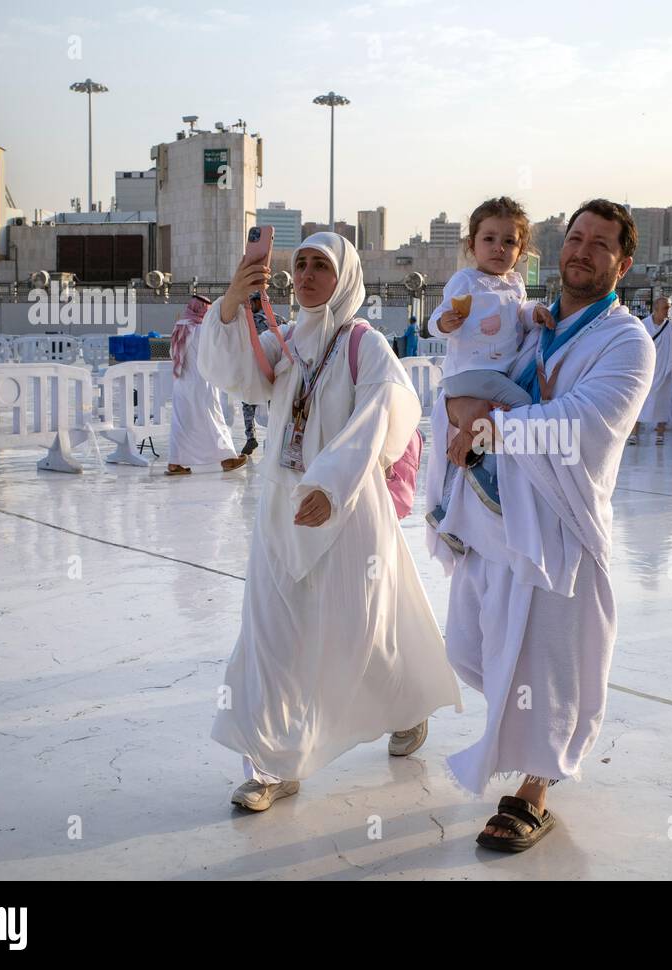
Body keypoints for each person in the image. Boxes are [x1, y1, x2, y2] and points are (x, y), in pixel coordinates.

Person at [197, 231, 462, 811]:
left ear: (344, 276)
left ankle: (407, 703)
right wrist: (230, 306)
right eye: (302, 265)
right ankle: (270, 764)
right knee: (270, 637)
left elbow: (386, 409)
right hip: (282, 511)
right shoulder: (289, 339)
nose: (310, 275)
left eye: (322, 265)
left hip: (345, 513)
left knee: (363, 633)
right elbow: (233, 372)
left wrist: (333, 482)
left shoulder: (363, 344)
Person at [434, 199, 653, 852]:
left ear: (623, 262)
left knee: (548, 658)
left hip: (561, 522)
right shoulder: (530, 323)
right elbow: (468, 361)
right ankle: (520, 752)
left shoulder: (625, 340)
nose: (583, 251)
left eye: (601, 243)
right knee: (491, 643)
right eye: (576, 237)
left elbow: (583, 422)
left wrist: (490, 426)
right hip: (497, 512)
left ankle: (535, 786)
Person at [424, 196, 550, 554]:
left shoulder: (514, 285)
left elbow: (517, 315)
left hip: (492, 375)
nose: (499, 248)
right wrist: (444, 322)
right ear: (472, 245)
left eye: (509, 241)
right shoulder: (466, 280)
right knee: (523, 407)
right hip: (470, 373)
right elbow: (437, 319)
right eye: (489, 239)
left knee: (493, 421)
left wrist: (533, 313)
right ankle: (487, 478)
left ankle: (450, 504)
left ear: (521, 249)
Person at [167, 295, 248, 476]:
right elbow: (217, 351)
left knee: (181, 423)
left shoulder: (180, 327)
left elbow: (172, 353)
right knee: (214, 418)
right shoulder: (201, 329)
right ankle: (228, 458)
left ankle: (175, 463)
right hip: (202, 383)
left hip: (182, 383)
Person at [629, 296, 672, 445]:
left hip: (664, 370)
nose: (668, 311)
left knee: (662, 402)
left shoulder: (671, 326)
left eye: (669, 308)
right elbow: (636, 346)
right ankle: (634, 433)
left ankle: (660, 433)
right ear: (656, 309)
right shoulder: (643, 325)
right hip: (646, 370)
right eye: (665, 308)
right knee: (640, 401)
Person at [238, 303, 285, 457]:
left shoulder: (247, 320)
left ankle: (251, 437)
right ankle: (276, 436)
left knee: (247, 403)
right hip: (273, 368)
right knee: (275, 405)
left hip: (252, 368)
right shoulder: (277, 319)